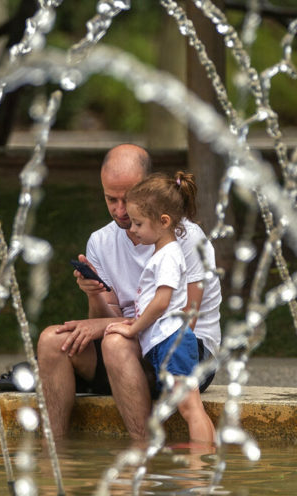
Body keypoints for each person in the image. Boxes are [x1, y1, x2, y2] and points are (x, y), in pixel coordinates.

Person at [36, 144, 221, 441]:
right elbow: (103, 319)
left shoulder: (184, 238)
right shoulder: (100, 242)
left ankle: (142, 451)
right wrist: (94, 294)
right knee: (50, 342)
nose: (120, 211)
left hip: (183, 349)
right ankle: (54, 453)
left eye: (128, 199)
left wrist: (121, 327)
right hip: (129, 349)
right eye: (111, 199)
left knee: (114, 343)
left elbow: (187, 320)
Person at [105, 171, 215, 443]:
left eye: (139, 224)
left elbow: (162, 302)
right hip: (167, 342)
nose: (132, 229)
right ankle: (203, 462)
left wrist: (134, 329)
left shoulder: (168, 256)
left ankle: (199, 471)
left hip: (173, 341)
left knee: (190, 407)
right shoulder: (163, 252)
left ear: (164, 222)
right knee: (190, 406)